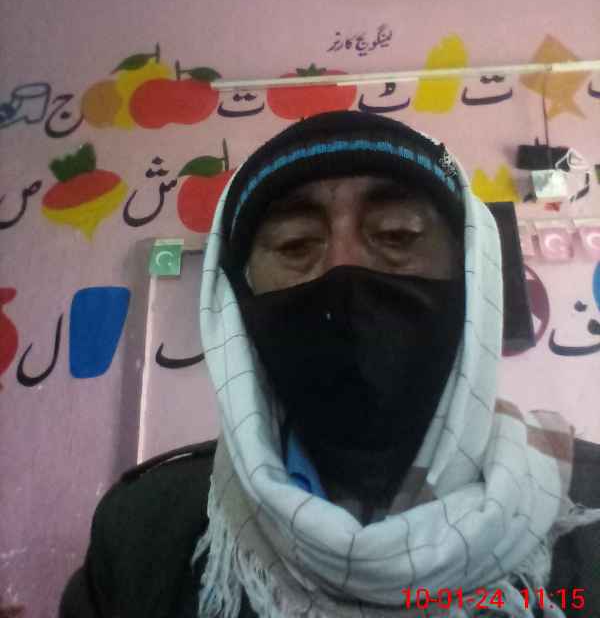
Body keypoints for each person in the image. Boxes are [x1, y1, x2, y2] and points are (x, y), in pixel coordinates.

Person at [61, 110, 600, 618]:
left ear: (469, 273)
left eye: (397, 234)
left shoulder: (589, 510)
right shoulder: (142, 534)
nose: (345, 270)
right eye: (295, 244)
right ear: (239, 295)